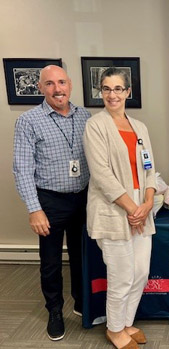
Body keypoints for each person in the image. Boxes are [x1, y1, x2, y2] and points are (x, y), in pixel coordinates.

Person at [13, 65, 90, 341]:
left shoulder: (85, 116)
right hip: (50, 201)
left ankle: (82, 302)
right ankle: (55, 311)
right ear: (40, 88)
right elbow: (22, 168)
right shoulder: (29, 121)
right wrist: (34, 209)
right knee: (51, 262)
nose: (57, 89)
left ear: (70, 84)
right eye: (50, 84)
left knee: (83, 255)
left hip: (82, 197)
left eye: (61, 82)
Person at [83, 67, 156, 349]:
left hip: (141, 207)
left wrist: (147, 203)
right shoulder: (96, 126)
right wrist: (131, 209)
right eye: (106, 89)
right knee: (121, 275)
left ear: (128, 92)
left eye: (117, 89)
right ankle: (114, 329)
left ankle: (126, 322)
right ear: (101, 92)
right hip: (113, 210)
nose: (112, 95)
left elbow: (150, 169)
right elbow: (101, 175)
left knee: (140, 272)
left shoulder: (140, 127)